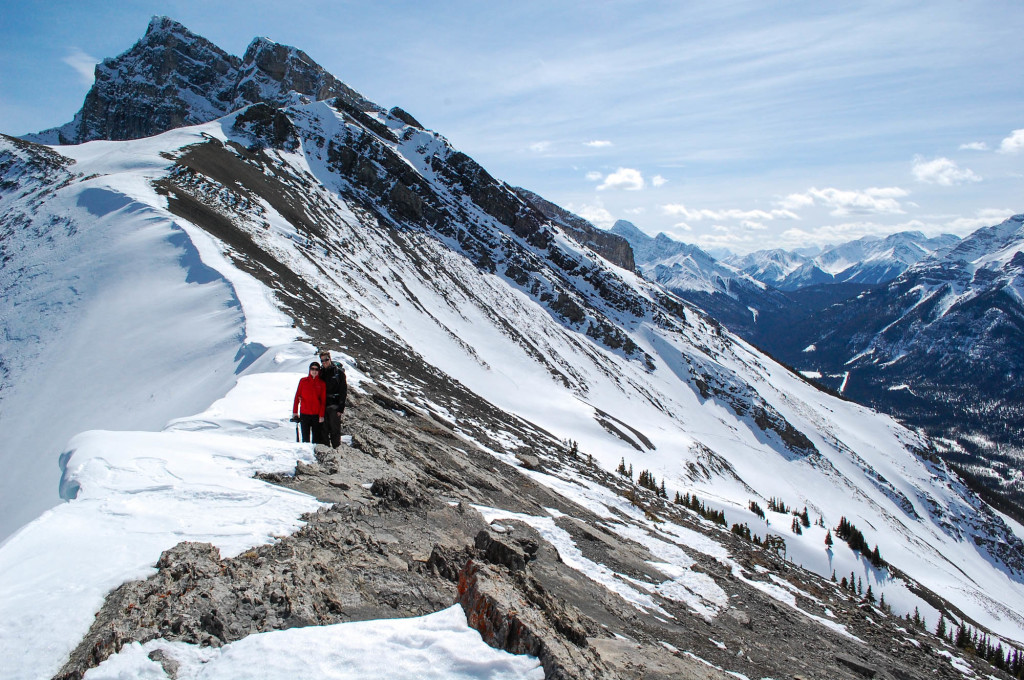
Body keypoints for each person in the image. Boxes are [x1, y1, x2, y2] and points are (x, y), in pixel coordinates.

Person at [318, 349, 348, 448]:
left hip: (334, 405)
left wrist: (341, 408)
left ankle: (336, 451)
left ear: (330, 359)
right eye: (322, 360)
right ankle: (326, 451)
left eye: (326, 360)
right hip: (323, 405)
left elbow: (343, 390)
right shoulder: (321, 373)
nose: (324, 362)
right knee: (323, 430)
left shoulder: (338, 373)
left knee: (335, 430)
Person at [292, 362, 326, 443]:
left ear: (319, 371)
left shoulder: (322, 384)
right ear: (309, 370)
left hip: (316, 415)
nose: (314, 371)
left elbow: (323, 401)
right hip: (304, 414)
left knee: (316, 439)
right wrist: (295, 412)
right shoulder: (303, 381)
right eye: (312, 369)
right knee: (305, 439)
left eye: (316, 369)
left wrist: (321, 415)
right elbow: (297, 397)